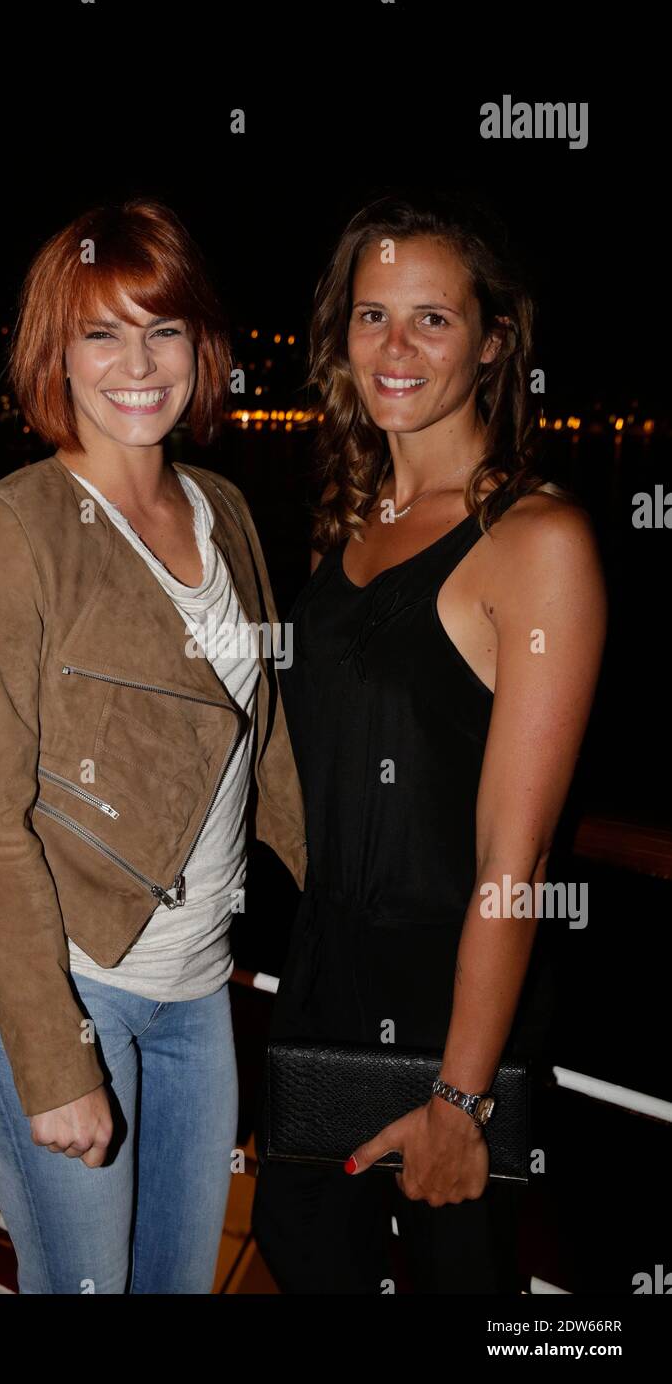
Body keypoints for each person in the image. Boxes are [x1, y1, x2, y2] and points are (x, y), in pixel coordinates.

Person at [0, 199, 307, 1293]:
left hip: (197, 997)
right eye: (102, 332)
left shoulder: (223, 507)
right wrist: (54, 1062)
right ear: (57, 353)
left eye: (164, 328)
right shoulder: (8, 533)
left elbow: (263, 742)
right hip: (54, 995)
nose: (137, 362)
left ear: (202, 346)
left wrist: (360, 902)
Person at [251, 188, 607, 1294]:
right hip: (320, 983)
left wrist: (460, 1098)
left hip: (452, 1011)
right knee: (307, 1263)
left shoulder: (534, 539)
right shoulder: (351, 518)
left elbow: (516, 859)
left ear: (494, 340)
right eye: (370, 315)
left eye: (431, 319)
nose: (392, 347)